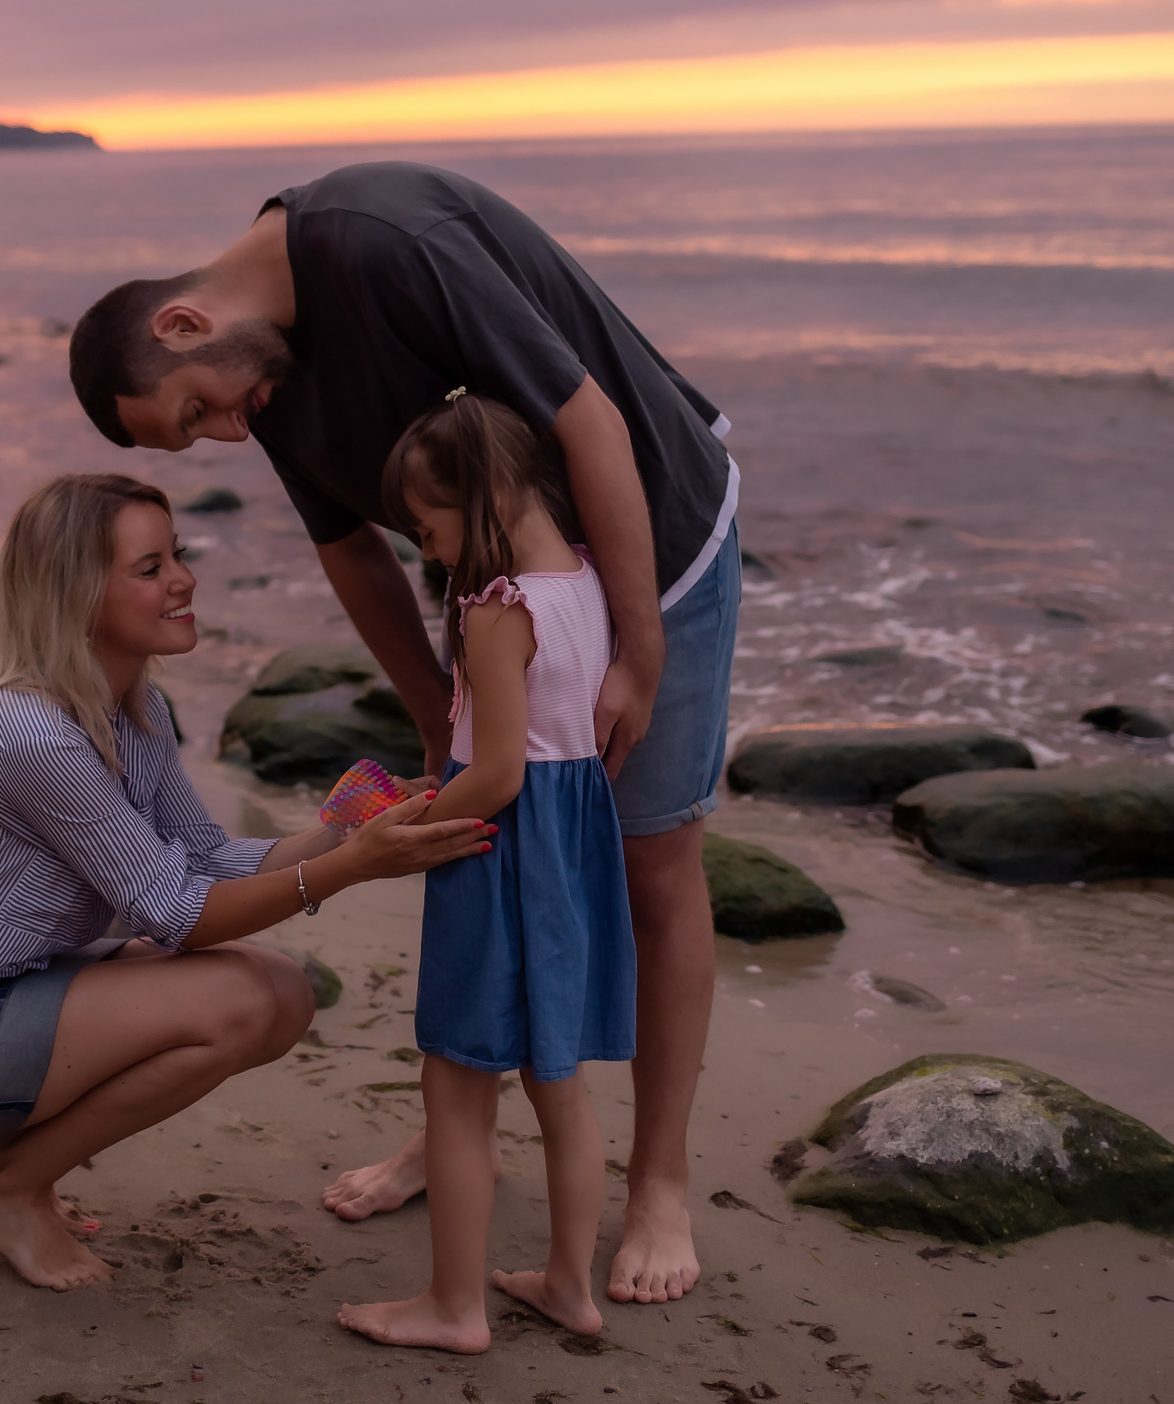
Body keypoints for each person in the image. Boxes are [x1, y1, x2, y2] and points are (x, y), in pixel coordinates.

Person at [68, 162, 741, 1305]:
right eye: (198, 435)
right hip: (496, 595)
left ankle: (659, 1184)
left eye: (199, 410)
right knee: (477, 843)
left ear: (185, 323)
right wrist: (439, 716)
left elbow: (593, 421)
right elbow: (350, 547)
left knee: (649, 862)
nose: (229, 433)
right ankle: (457, 1130)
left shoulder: (386, 238)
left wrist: (636, 649)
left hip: (647, 548)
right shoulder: (264, 377)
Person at [0, 473, 490, 1293]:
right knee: (243, 999)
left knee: (283, 992)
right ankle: (8, 1188)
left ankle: (17, 1171)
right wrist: (350, 867)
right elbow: (179, 914)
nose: (182, 578)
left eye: (176, 553)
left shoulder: (133, 704)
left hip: (5, 987)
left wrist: (348, 829)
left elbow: (205, 857)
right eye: (149, 567)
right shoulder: (29, 731)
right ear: (74, 593)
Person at [337, 391, 636, 1353]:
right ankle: (569, 1286)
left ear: (482, 496)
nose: (427, 553)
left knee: (458, 1088)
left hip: (500, 847)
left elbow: (500, 772)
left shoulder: (495, 610)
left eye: (427, 529)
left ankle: (454, 1307)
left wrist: (401, 823)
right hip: (573, 840)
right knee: (562, 1085)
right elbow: (537, 740)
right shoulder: (584, 581)